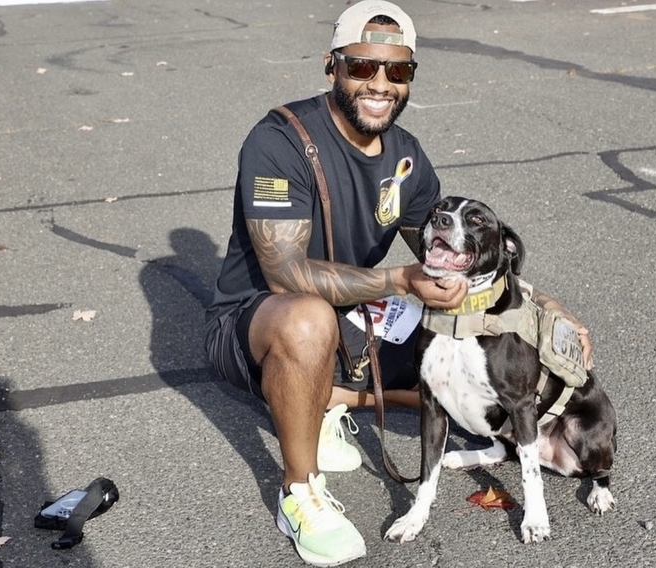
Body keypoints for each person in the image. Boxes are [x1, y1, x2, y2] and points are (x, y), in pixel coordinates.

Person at [204, 2, 592, 565]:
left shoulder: (404, 154)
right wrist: (402, 281)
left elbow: (452, 255)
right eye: (362, 67)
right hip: (259, 322)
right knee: (307, 318)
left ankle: (322, 401)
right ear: (332, 66)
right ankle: (299, 492)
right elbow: (284, 272)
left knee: (461, 362)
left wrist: (542, 304)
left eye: (398, 71)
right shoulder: (280, 140)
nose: (380, 84)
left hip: (353, 313)